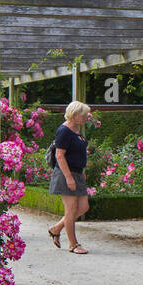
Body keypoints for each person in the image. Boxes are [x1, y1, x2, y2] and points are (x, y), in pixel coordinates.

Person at [48, 100, 92, 254]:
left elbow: (78, 153)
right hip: (66, 174)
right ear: (74, 115)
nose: (87, 117)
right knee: (71, 209)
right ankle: (73, 244)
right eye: (84, 115)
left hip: (77, 173)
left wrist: (82, 171)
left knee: (83, 207)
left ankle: (56, 228)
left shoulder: (76, 130)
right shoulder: (64, 131)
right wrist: (69, 177)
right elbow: (60, 155)